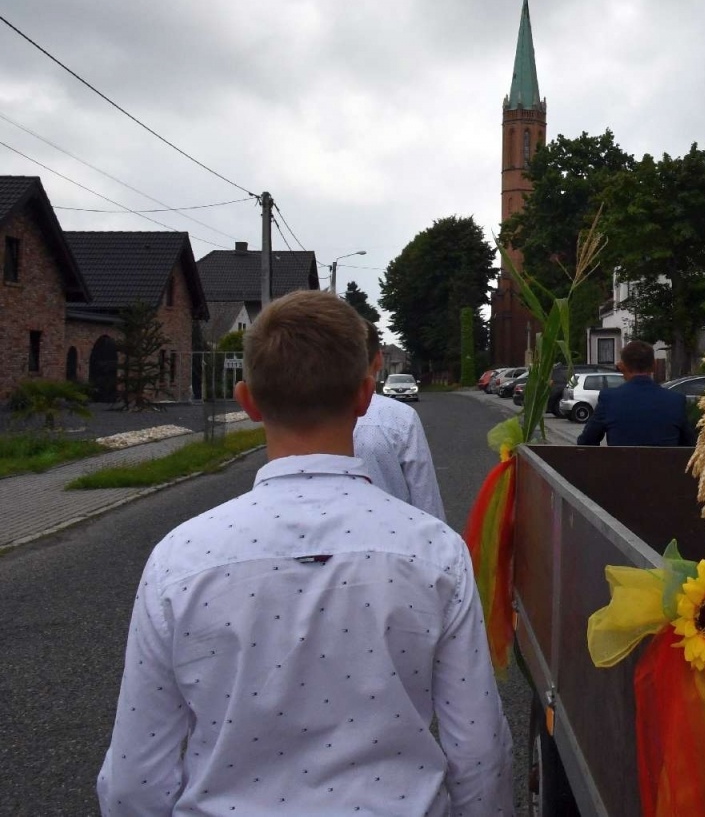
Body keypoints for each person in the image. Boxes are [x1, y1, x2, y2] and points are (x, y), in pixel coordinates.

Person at [98, 290, 513, 816]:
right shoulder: (435, 554)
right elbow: (478, 752)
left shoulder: (179, 560)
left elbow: (135, 778)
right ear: (365, 397)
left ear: (246, 402)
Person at [354, 320, 446, 522]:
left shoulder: (294, 416)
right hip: (396, 539)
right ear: (378, 360)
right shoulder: (400, 417)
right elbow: (426, 500)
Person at [576, 339, 695, 447]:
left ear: (622, 366)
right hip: (664, 470)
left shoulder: (609, 399)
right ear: (654, 365)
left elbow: (586, 442)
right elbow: (689, 445)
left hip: (620, 469)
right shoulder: (676, 401)